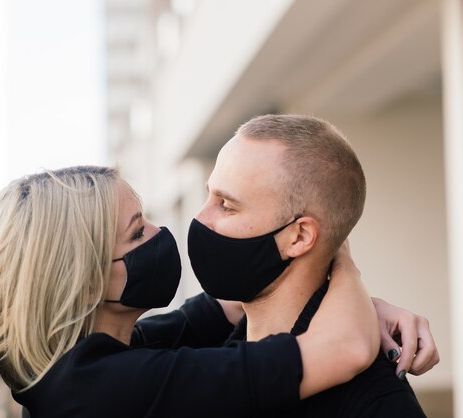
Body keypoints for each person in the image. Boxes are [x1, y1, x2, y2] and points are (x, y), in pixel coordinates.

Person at [0, 165, 386, 418]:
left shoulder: (83, 365)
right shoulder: (108, 389)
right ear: (87, 279)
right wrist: (335, 246)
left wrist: (368, 306)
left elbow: (223, 310)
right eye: (137, 234)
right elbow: (345, 347)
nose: (160, 234)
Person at [188, 114, 439, 417]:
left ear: (300, 236)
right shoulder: (201, 355)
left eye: (226, 205)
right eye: (209, 195)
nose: (201, 219)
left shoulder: (375, 402)